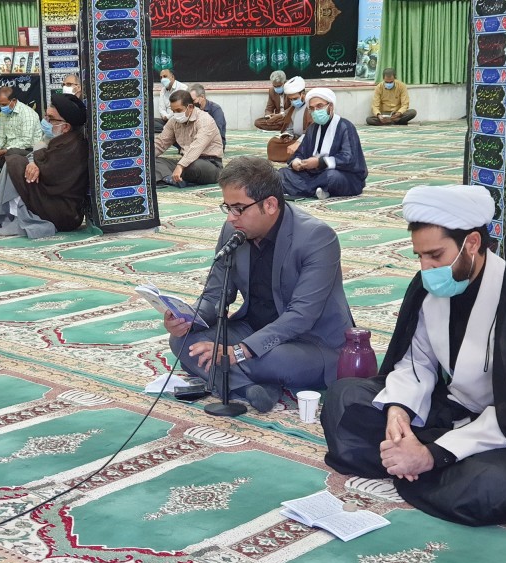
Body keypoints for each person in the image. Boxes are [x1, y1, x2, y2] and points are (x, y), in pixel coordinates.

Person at [321, 185, 506, 526]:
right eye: (420, 256)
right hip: (451, 410)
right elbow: (417, 362)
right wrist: (399, 411)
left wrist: (433, 454)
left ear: (472, 243)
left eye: (435, 255)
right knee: (344, 398)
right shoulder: (431, 284)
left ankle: (419, 462)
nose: (426, 267)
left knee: (493, 488)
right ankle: (410, 458)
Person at [165, 156, 354, 412]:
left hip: (310, 343)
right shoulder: (233, 232)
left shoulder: (317, 238)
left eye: (238, 208)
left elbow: (301, 316)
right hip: (253, 330)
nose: (231, 218)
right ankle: (250, 389)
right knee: (184, 342)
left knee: (271, 360)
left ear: (270, 204)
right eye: (227, 207)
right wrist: (188, 319)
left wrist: (239, 351)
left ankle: (236, 379)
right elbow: (215, 296)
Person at [0, 93, 88, 238]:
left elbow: (50, 174)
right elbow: (40, 152)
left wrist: (35, 164)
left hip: (63, 211)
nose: (46, 122)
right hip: (52, 201)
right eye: (46, 116)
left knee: (15, 164)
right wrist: (34, 162)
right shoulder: (62, 138)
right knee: (15, 161)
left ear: (65, 127)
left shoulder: (73, 146)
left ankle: (10, 216)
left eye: (51, 119)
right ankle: (6, 214)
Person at [278, 88, 367, 199]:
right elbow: (300, 152)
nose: (315, 111)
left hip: (343, 175)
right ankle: (318, 190)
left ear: (331, 106)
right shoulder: (312, 128)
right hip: (314, 174)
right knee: (282, 173)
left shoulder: (345, 126)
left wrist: (320, 162)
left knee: (332, 177)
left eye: (319, 106)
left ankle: (304, 189)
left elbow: (349, 158)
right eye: (311, 108)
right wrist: (296, 162)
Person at [154, 90, 223, 186]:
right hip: (185, 162)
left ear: (190, 107)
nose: (175, 114)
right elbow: (161, 143)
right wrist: (144, 155)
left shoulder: (205, 120)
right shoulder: (173, 121)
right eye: (173, 111)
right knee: (152, 161)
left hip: (209, 164)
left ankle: (171, 177)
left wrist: (180, 166)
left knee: (193, 166)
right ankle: (171, 179)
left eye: (178, 110)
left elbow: (197, 147)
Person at [0, 86, 43, 169]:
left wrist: (5, 150)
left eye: (4, 104)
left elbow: (26, 141)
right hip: (9, 148)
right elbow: (1, 137)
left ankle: (5, 161)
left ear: (13, 100)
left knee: (11, 153)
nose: (1, 107)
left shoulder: (27, 114)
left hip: (28, 150)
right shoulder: (4, 113)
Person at [189, 83, 226, 150]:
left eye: (193, 100)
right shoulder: (192, 109)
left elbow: (217, 132)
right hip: (197, 140)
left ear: (202, 97)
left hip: (214, 143)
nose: (191, 103)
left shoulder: (215, 109)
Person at [154, 68, 188, 133]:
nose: (162, 79)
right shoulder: (163, 90)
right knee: (150, 122)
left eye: (165, 76)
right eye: (161, 77)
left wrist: (168, 117)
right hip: (166, 120)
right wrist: (165, 116)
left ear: (172, 77)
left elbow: (179, 108)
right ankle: (170, 130)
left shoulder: (182, 88)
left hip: (178, 120)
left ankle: (169, 130)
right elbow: (161, 108)